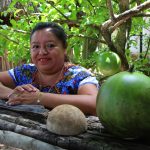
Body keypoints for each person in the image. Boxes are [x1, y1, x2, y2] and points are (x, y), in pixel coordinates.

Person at [0, 22, 99, 115]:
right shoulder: (26, 71)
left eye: (50, 45)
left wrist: (39, 98)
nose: (42, 52)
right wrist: (15, 95)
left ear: (65, 49)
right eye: (36, 46)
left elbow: (95, 103)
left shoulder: (78, 75)